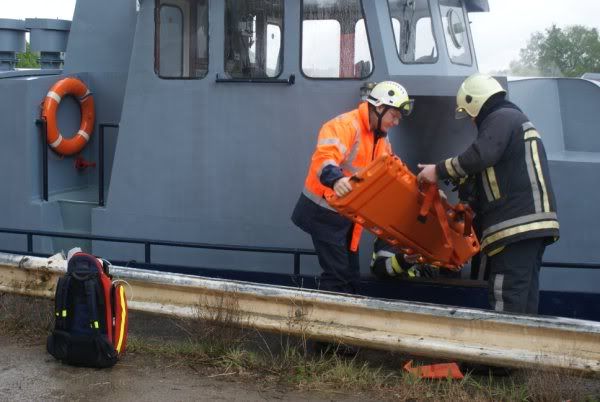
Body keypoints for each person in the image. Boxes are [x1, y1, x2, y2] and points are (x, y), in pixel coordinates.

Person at [417, 73, 559, 314]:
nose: (472, 121)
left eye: (470, 115)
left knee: (507, 298)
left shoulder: (500, 117)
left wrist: (437, 170)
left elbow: (481, 155)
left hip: (514, 227)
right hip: (530, 227)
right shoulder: (515, 120)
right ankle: (525, 349)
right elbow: (496, 171)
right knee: (524, 299)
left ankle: (504, 350)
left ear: (476, 103)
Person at [291, 81, 414, 294]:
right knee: (337, 276)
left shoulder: (381, 140)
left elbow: (394, 171)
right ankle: (328, 323)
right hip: (323, 212)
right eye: (394, 115)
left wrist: (419, 188)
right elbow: (324, 158)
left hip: (347, 216)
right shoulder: (346, 125)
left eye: (398, 118)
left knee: (351, 278)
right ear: (379, 107)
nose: (396, 122)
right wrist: (336, 180)